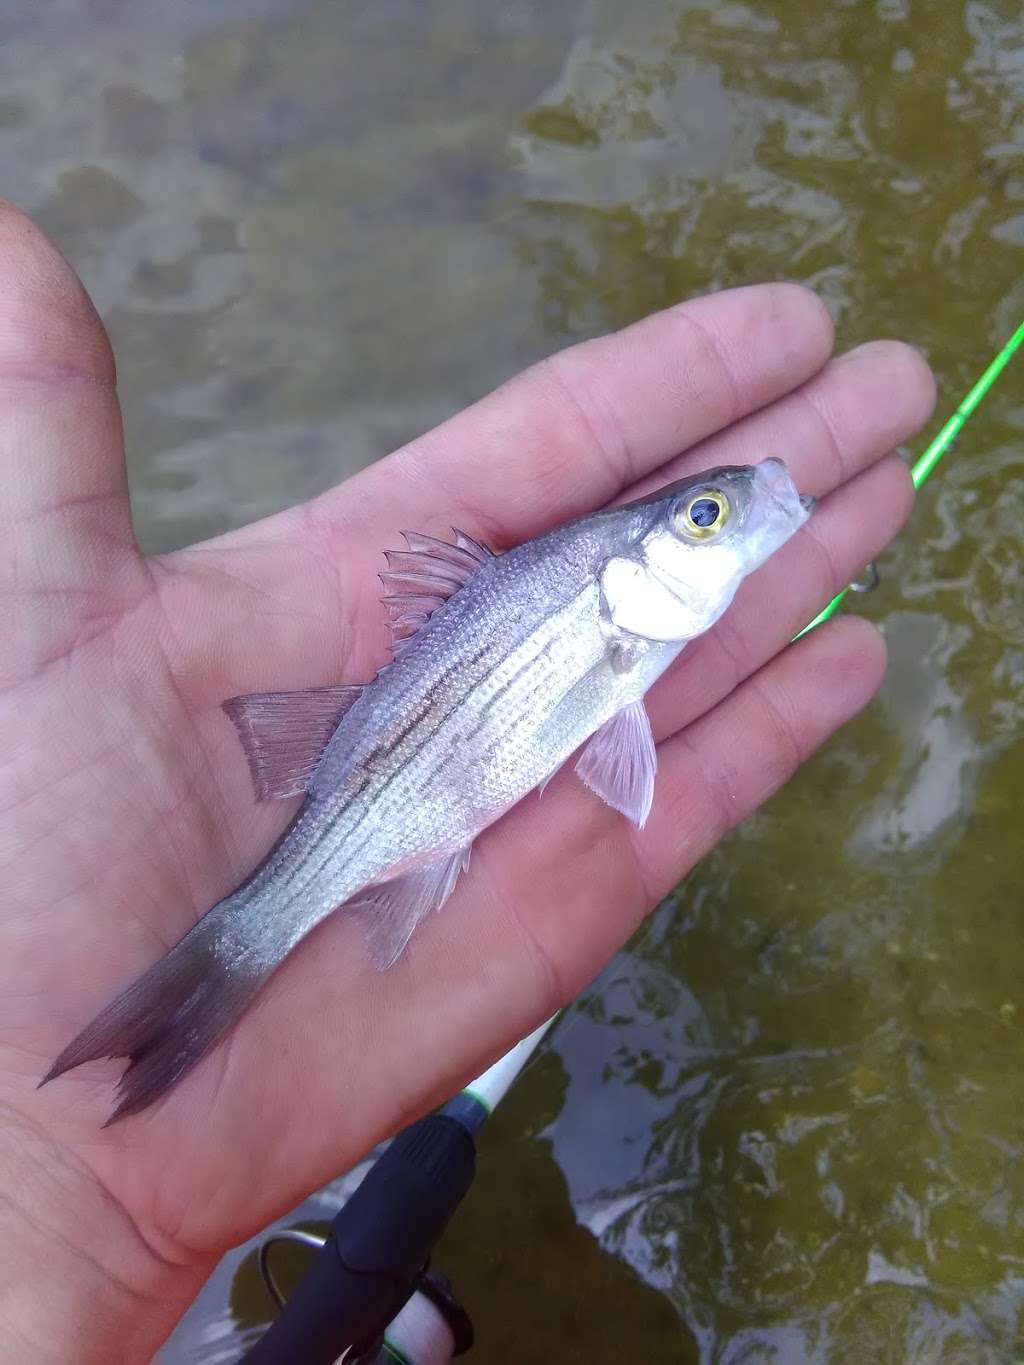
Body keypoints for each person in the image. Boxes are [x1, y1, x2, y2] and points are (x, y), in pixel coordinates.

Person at [0, 197, 935, 1362]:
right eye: (705, 516)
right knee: (259, 926)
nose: (729, 519)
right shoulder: (607, 615)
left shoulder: (629, 621)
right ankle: (223, 963)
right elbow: (609, 743)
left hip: (418, 802)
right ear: (633, 576)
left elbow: (610, 736)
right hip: (392, 807)